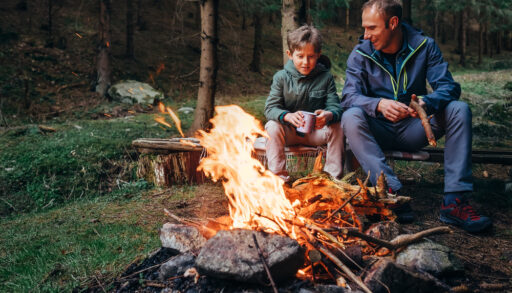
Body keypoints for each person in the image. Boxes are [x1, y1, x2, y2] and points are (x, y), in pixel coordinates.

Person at [341, 0, 491, 232]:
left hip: (414, 128)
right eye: (364, 28)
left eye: (372, 28)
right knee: (350, 116)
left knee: (459, 109)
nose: (365, 35)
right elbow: (349, 96)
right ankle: (390, 193)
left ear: (393, 23)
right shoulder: (361, 53)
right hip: (375, 131)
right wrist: (378, 104)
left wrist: (426, 103)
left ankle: (455, 202)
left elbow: (449, 87)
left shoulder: (424, 46)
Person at [264, 25, 344, 183]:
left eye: (311, 56)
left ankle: (332, 180)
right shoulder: (281, 78)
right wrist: (287, 116)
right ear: (290, 54)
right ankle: (279, 180)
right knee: (272, 126)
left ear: (318, 55)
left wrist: (329, 115)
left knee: (338, 126)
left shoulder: (325, 78)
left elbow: (336, 108)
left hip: (316, 132)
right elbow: (270, 108)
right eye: (300, 56)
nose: (305, 62)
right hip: (289, 132)